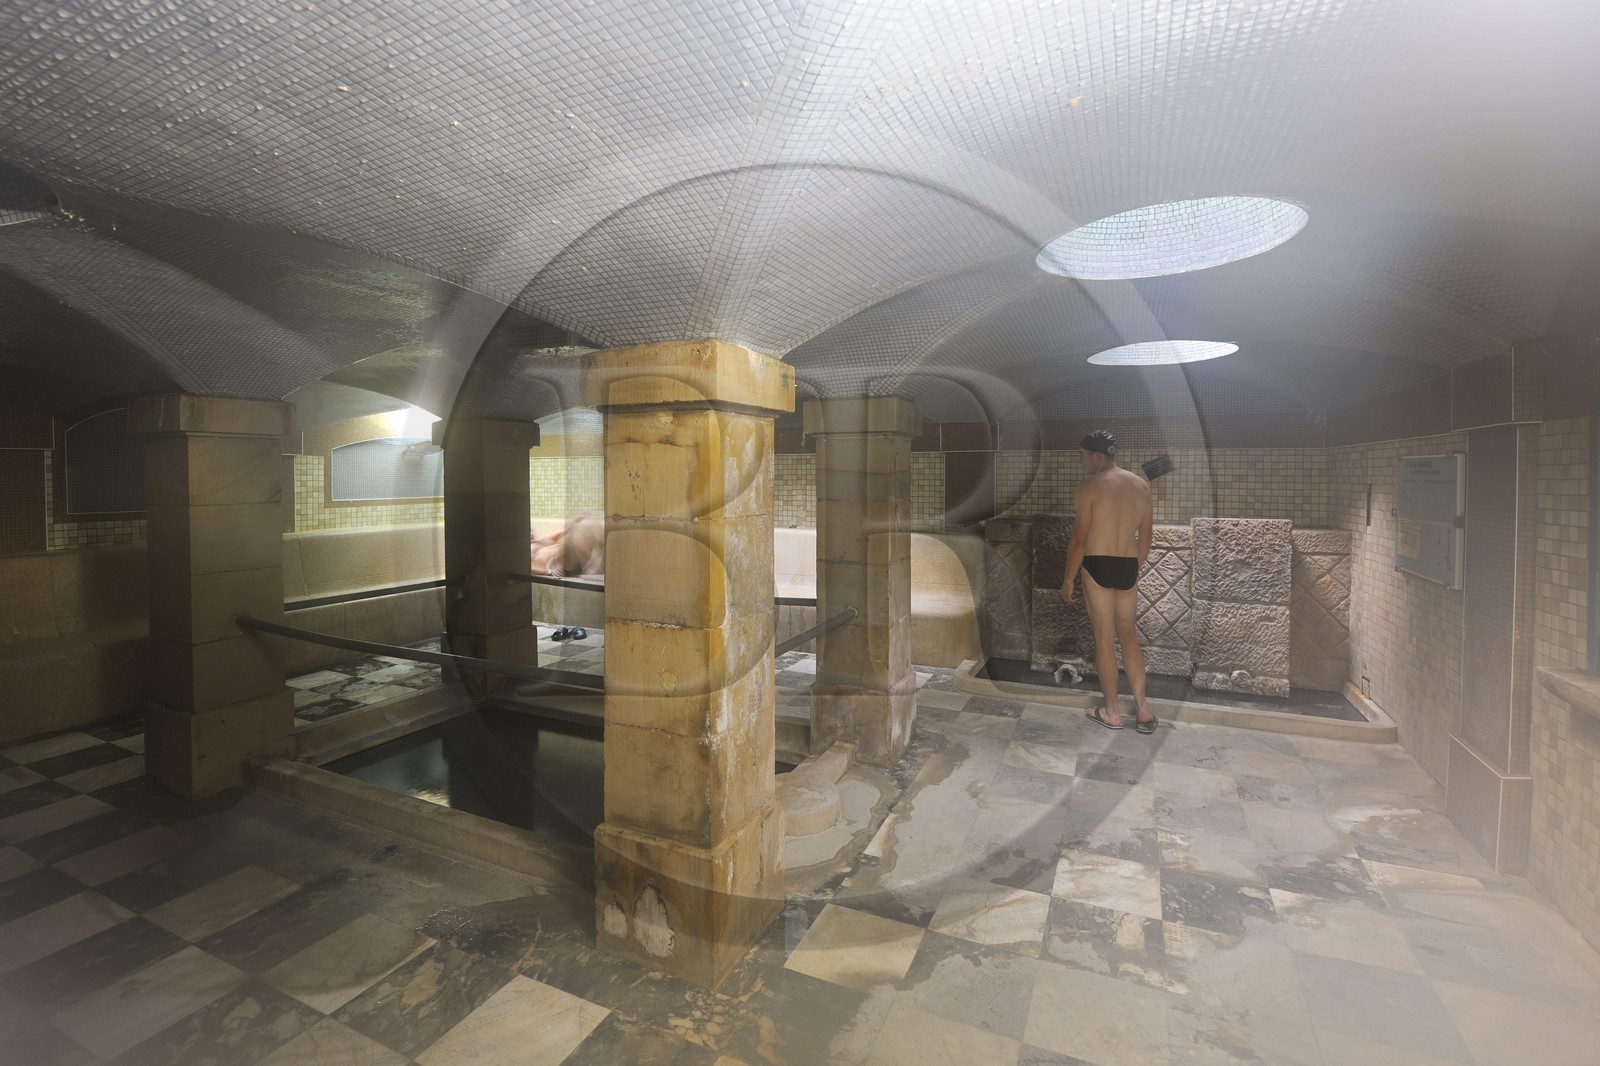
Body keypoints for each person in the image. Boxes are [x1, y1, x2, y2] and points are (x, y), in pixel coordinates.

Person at [1061, 430, 1158, 734]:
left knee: (1105, 637)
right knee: (1128, 635)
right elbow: (1146, 538)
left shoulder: (1089, 488)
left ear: (1097, 456)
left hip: (1097, 563)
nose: (1080, 460)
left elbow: (1079, 540)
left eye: (1083, 454)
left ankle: (1112, 712)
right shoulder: (1140, 486)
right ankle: (1143, 711)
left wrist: (1068, 578)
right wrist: (1133, 568)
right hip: (1127, 565)